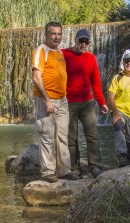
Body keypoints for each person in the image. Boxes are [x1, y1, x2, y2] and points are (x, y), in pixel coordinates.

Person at [31, 21, 78, 183]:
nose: (56, 37)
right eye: (53, 33)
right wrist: (47, 100)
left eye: (59, 34)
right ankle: (48, 172)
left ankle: (64, 170)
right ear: (46, 35)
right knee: (47, 135)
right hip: (46, 100)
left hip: (62, 99)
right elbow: (36, 77)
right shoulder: (40, 50)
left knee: (62, 136)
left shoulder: (59, 53)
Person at [62, 29, 109, 178]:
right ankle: (74, 167)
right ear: (75, 40)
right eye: (80, 41)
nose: (83, 44)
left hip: (87, 103)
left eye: (86, 42)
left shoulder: (91, 58)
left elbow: (95, 83)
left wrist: (102, 103)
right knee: (71, 137)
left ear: (89, 43)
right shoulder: (63, 54)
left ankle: (94, 166)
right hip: (69, 102)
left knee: (92, 135)